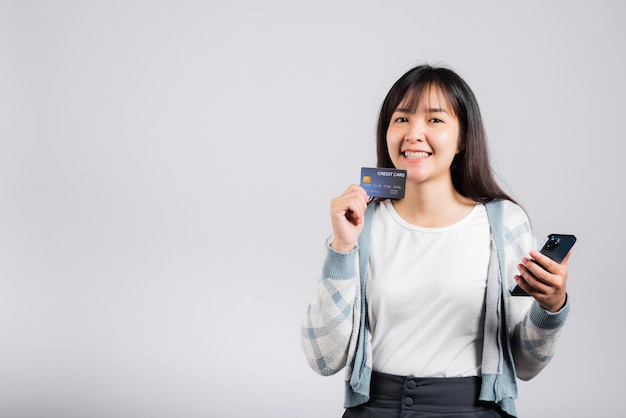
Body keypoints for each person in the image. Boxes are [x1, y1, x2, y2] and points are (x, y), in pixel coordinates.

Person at [300, 64, 572, 418]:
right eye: (401, 119)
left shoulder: (504, 222)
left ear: (462, 139)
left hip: (472, 411)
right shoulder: (361, 223)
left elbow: (525, 365)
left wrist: (551, 307)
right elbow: (324, 359)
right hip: (374, 409)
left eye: (435, 120)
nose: (414, 133)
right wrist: (341, 248)